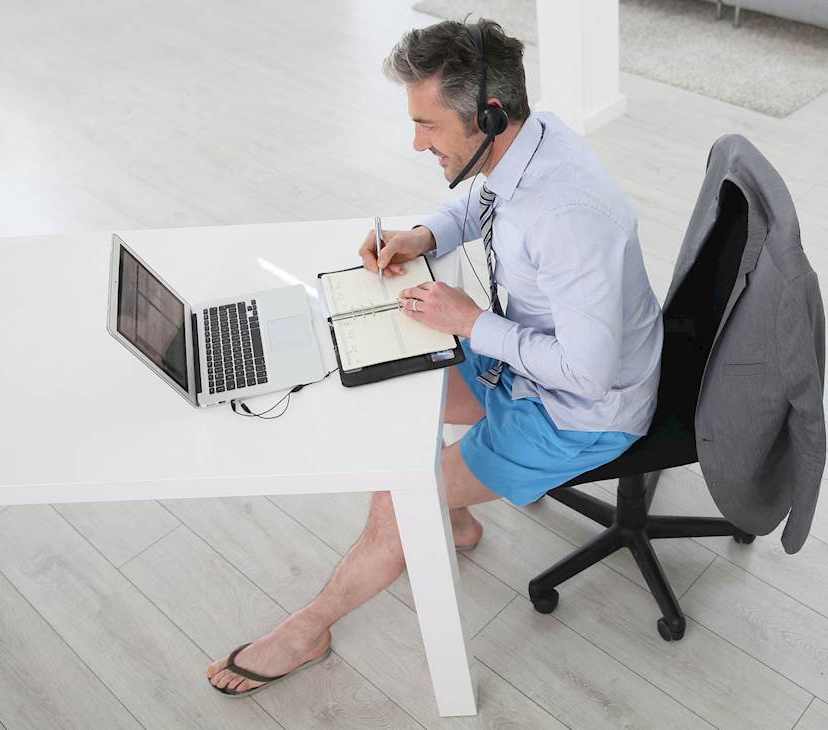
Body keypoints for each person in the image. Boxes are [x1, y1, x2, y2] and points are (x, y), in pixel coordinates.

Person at [206, 17, 663, 697]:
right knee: (389, 377)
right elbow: (482, 202)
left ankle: (309, 629)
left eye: (428, 126)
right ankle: (456, 515)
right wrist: (423, 236)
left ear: (490, 114)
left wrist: (471, 322)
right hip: (527, 362)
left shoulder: (568, 219)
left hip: (578, 411)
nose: (418, 143)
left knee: (399, 489)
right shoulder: (529, 142)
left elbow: (587, 374)